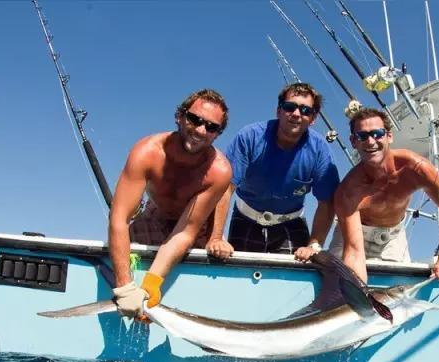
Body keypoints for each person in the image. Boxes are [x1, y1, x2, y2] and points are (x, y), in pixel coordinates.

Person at [109, 89, 232, 318]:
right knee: (126, 263)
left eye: (211, 127)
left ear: (217, 134)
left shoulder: (219, 171)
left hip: (194, 224)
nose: (200, 130)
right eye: (195, 119)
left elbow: (184, 233)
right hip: (155, 215)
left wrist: (151, 285)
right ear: (180, 116)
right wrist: (125, 288)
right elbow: (119, 218)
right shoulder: (146, 152)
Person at [205, 82, 340, 261]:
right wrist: (216, 237)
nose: (297, 114)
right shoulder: (249, 137)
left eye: (305, 110)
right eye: (290, 107)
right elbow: (224, 188)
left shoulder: (320, 150)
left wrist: (314, 243)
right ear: (278, 111)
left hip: (291, 224)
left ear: (313, 118)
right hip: (245, 219)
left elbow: (327, 201)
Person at [329, 108, 439, 283]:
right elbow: (354, 252)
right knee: (337, 282)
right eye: (362, 136)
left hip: (392, 238)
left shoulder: (417, 168)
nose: (370, 141)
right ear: (353, 141)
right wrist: (357, 296)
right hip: (352, 236)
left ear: (389, 136)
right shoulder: (348, 191)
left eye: (377, 134)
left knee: (398, 291)